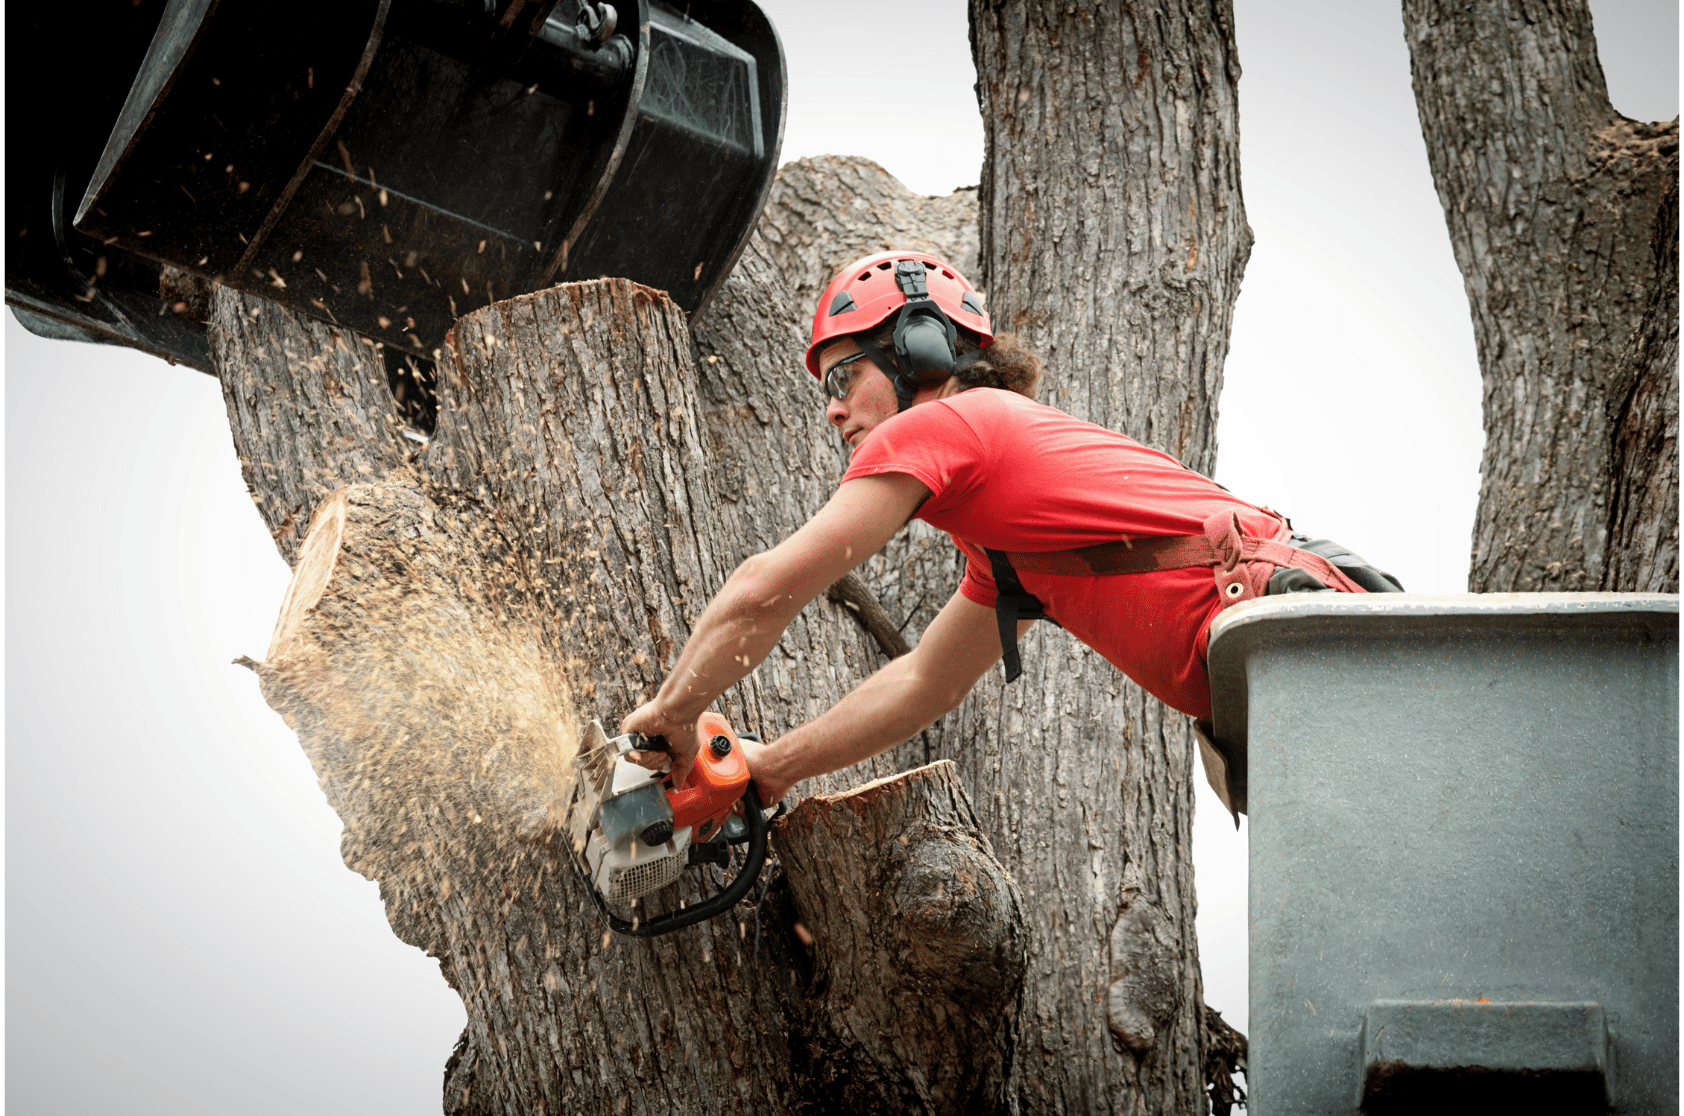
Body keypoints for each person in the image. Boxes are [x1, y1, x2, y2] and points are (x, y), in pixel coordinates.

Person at [621, 250, 1400, 809]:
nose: (833, 408)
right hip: (1284, 670)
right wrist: (775, 766)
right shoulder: (1009, 551)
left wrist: (672, 714)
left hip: (1299, 636)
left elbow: (767, 589)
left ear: (917, 349)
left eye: (844, 376)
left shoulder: (945, 424)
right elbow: (926, 681)